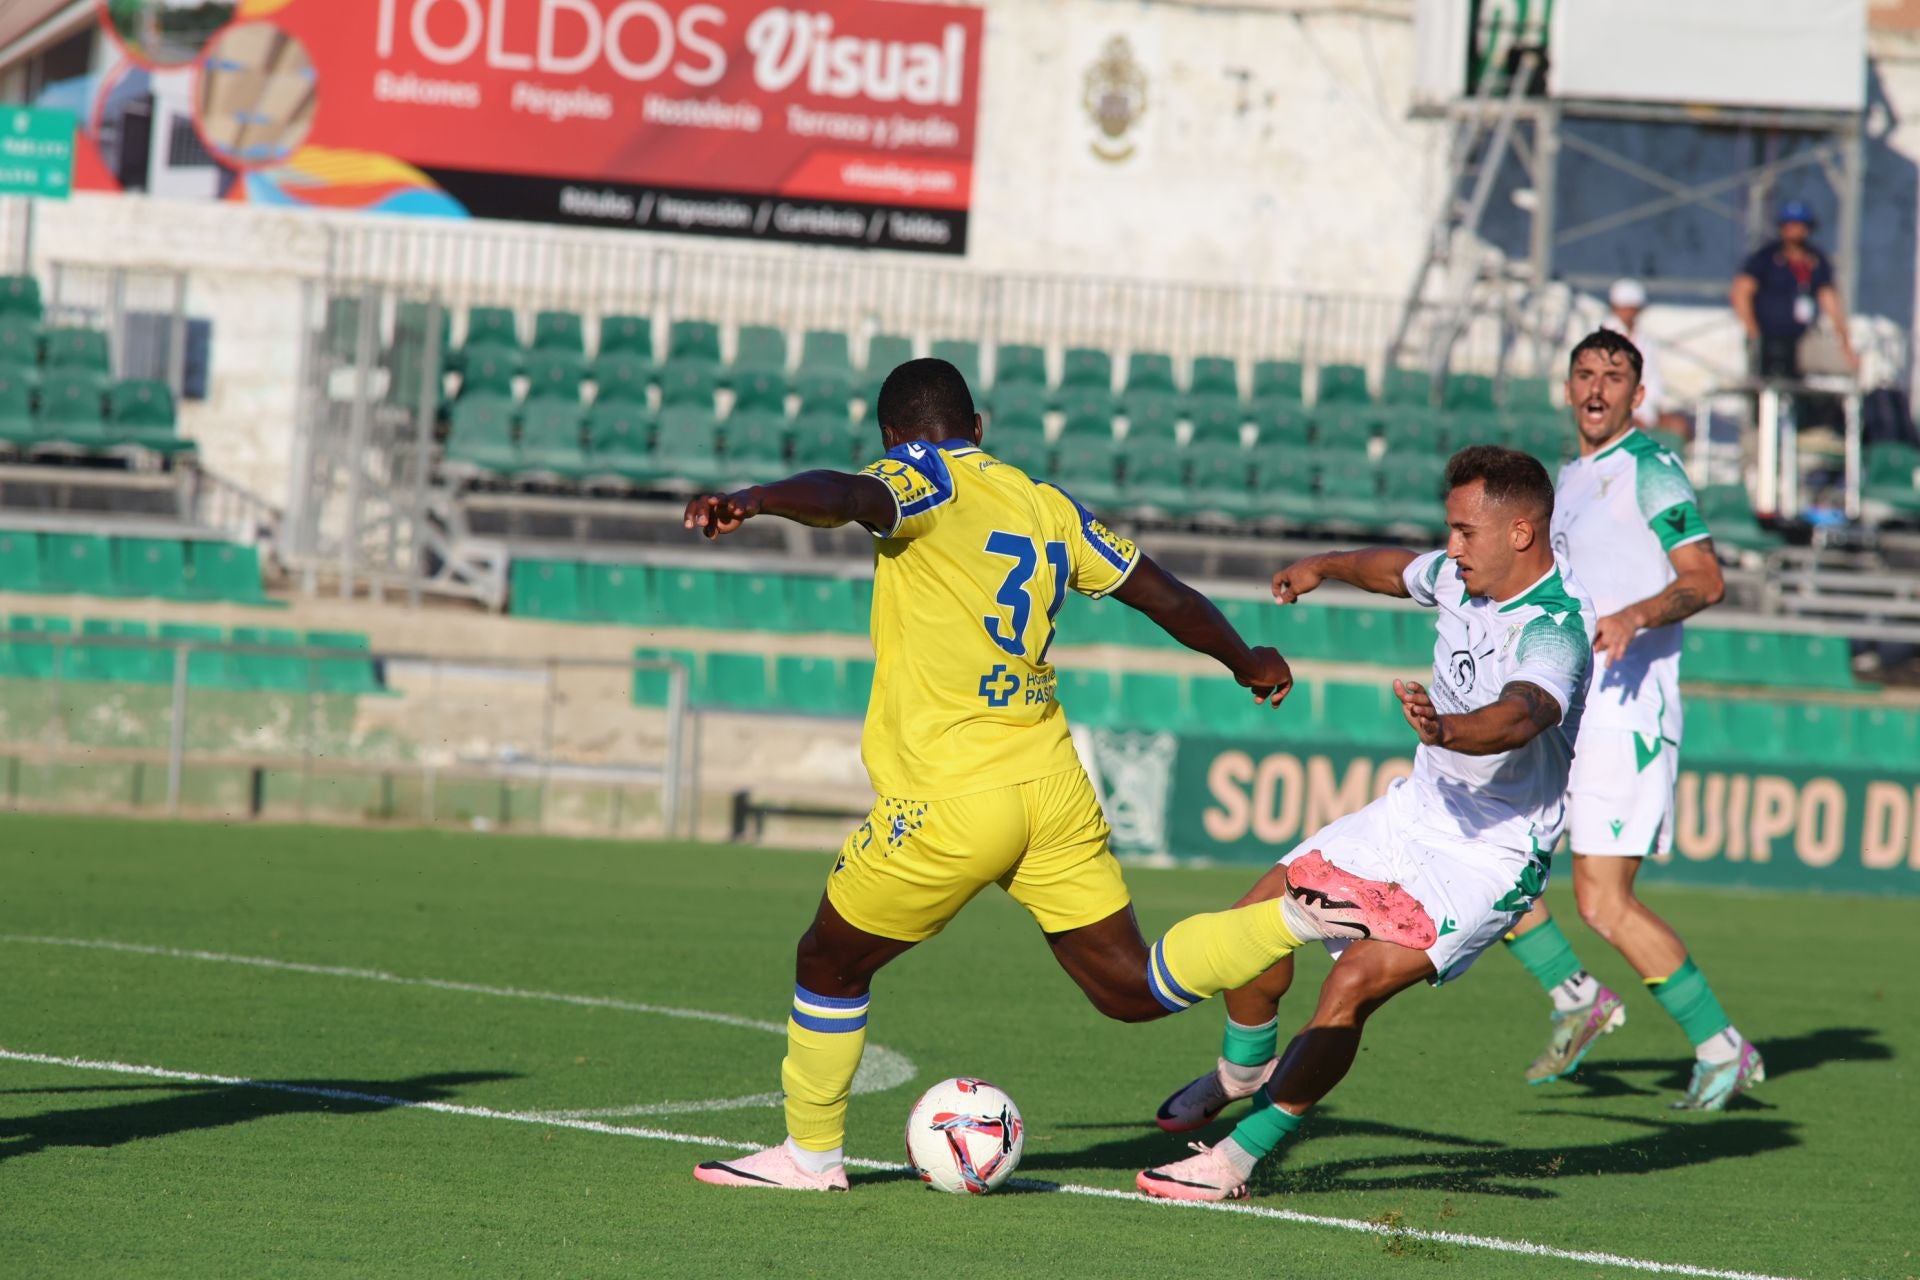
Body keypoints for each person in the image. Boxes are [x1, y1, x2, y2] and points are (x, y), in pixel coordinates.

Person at [682, 357, 1435, 1193]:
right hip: (1050, 785)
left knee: (828, 961)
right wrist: (1245, 657)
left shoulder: (915, 475)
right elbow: (1162, 594)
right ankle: (1297, 919)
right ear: (980, 428)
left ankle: (810, 1156)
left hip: (951, 793)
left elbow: (847, 496)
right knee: (1130, 986)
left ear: (891, 439)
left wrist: (755, 498)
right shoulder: (1049, 506)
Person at [1139, 445, 1596, 1203]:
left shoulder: (1555, 627)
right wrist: (1321, 564)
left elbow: (1523, 715)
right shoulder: (1461, 572)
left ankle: (1233, 1161)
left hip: (1490, 855)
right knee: (1254, 920)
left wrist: (1449, 731)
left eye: (1463, 532)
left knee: (1353, 981)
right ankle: (1240, 1071)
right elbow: (1393, 570)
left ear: (1521, 532)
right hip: (1413, 811)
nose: (1450, 548)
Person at [1500, 329, 1763, 1109]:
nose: (1596, 387)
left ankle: (1723, 1047)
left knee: (1602, 902)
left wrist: (1636, 615)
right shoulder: (1569, 480)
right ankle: (1575, 997)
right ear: (1568, 385)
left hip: (1628, 712)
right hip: (1569, 708)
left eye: (1614, 377)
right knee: (1497, 856)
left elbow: (1706, 579)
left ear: (1636, 396)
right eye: (1584, 373)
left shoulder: (1651, 470)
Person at [1730, 200, 1858, 380]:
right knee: (1763, 383)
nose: (1795, 230)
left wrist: (1843, 338)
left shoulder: (1815, 260)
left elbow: (1828, 298)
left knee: (1798, 384)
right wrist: (1753, 330)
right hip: (1767, 337)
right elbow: (1742, 291)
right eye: (1790, 225)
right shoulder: (1766, 257)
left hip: (1801, 339)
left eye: (1800, 225)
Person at [1601, 279, 1665, 432]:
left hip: (1641, 411)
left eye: (1632, 308)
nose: (1628, 313)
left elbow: (1652, 379)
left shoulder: (1646, 339)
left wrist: (1646, 414)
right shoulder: (1601, 338)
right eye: (1624, 308)